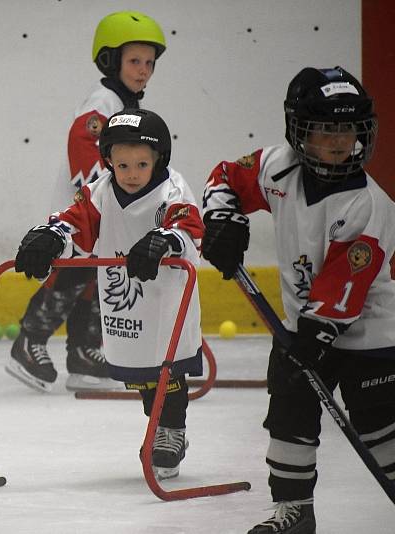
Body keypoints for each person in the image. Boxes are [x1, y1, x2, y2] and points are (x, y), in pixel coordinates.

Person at [201, 66, 395, 534]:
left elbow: (342, 293)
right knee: (288, 418)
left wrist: (312, 336)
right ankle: (294, 512)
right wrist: (223, 221)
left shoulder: (368, 204)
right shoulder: (278, 165)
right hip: (299, 327)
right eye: (325, 128)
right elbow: (226, 177)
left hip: (370, 335)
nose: (338, 140)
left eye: (347, 128)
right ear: (297, 130)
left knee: (381, 432)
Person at [15, 109, 204, 479]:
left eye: (141, 164)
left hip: (166, 300)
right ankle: (160, 422)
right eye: (122, 165)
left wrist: (163, 241)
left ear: (158, 160)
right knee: (144, 374)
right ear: (108, 162)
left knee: (169, 369)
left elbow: (189, 226)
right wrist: (51, 237)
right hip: (127, 302)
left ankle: (172, 430)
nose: (131, 174)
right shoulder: (101, 191)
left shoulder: (173, 190)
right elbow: (75, 220)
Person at [8, 11, 167, 393]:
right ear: (111, 60)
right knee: (76, 273)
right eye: (134, 61)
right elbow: (84, 151)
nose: (144, 70)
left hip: (108, 216)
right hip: (84, 214)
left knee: (102, 276)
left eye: (149, 63)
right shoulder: (102, 103)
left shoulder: (126, 108)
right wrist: (107, 199)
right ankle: (28, 341)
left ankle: (84, 350)